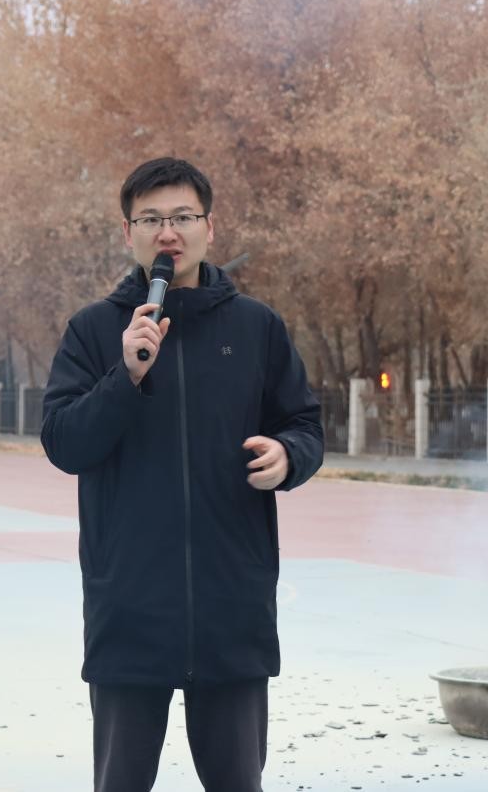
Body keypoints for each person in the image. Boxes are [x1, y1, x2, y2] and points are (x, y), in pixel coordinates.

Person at [40, 157, 324, 791]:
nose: (167, 233)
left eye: (182, 217)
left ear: (208, 227)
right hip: (129, 606)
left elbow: (305, 424)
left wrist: (288, 456)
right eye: (150, 219)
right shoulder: (94, 331)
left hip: (231, 603)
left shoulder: (256, 327)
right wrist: (125, 376)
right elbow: (64, 444)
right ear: (128, 233)